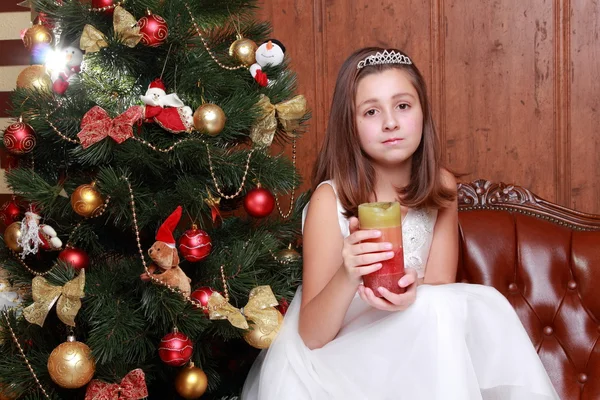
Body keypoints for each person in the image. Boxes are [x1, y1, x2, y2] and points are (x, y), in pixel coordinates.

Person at [242, 47, 559, 400]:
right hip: (340, 366)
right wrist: (349, 272)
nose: (390, 122)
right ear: (351, 125)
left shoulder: (441, 188)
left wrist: (413, 290)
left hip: (414, 355)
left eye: (403, 106)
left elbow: (441, 292)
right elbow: (313, 337)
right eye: (371, 111)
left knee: (458, 303)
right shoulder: (329, 201)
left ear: (423, 112)